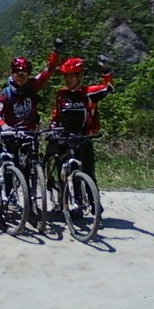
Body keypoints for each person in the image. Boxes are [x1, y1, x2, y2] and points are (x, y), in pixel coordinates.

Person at [45, 54, 113, 220]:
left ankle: (94, 203)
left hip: (83, 138)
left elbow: (109, 87)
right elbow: (56, 116)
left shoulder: (89, 93)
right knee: (63, 170)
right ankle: (65, 204)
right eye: (65, 76)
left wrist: (105, 69)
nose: (68, 79)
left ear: (79, 76)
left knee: (88, 172)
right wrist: (52, 128)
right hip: (64, 138)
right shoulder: (61, 94)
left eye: (71, 76)